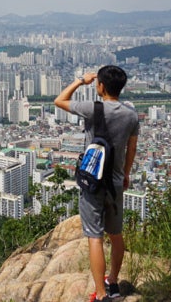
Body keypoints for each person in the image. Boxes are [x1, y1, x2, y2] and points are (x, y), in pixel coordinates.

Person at [54, 66, 139, 302]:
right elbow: (132, 148)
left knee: (95, 237)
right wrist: (126, 174)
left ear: (100, 86)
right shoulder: (131, 115)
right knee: (116, 234)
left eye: (97, 83)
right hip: (115, 181)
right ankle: (112, 281)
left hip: (92, 182)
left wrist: (81, 80)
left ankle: (102, 295)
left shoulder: (93, 108)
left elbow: (59, 100)